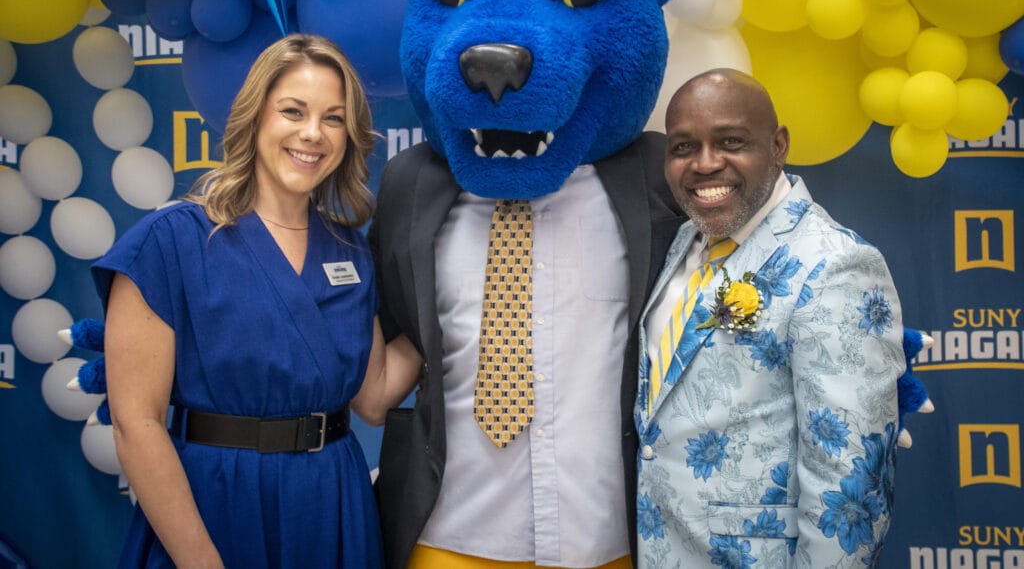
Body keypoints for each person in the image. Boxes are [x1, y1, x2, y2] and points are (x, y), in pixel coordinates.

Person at [94, 34, 422, 568]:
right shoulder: (170, 241)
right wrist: (201, 561)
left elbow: (374, 398)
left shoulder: (349, 251)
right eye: (293, 111)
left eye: (333, 119)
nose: (312, 133)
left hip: (332, 503)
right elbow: (138, 423)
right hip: (218, 504)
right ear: (255, 117)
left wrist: (450, 312)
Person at [370, 130, 686, 568]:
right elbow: (394, 324)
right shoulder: (413, 179)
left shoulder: (651, 169)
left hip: (602, 534)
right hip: (448, 528)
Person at [635, 68, 905, 567]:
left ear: (778, 145)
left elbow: (850, 482)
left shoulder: (836, 264)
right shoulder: (685, 239)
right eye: (683, 147)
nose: (705, 163)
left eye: (731, 141)